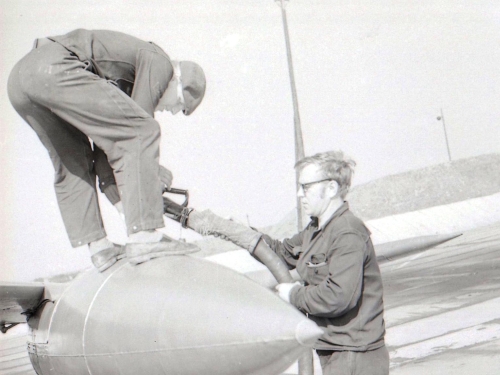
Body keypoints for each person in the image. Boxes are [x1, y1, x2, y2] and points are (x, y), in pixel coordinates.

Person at [7, 29, 206, 272]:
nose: (173, 111)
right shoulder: (160, 63)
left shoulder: (128, 79)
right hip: (53, 66)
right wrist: (152, 177)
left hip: (20, 80)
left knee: (74, 163)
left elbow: (108, 150)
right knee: (142, 130)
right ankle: (144, 237)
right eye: (179, 104)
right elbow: (134, 135)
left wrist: (125, 207)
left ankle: (100, 249)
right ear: (176, 80)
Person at [263, 151, 388, 375]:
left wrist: (293, 295)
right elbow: (281, 252)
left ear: (331, 188)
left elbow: (337, 297)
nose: (299, 194)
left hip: (355, 356)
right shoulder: (316, 230)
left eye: (306, 187)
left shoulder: (347, 232)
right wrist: (236, 232)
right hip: (337, 351)